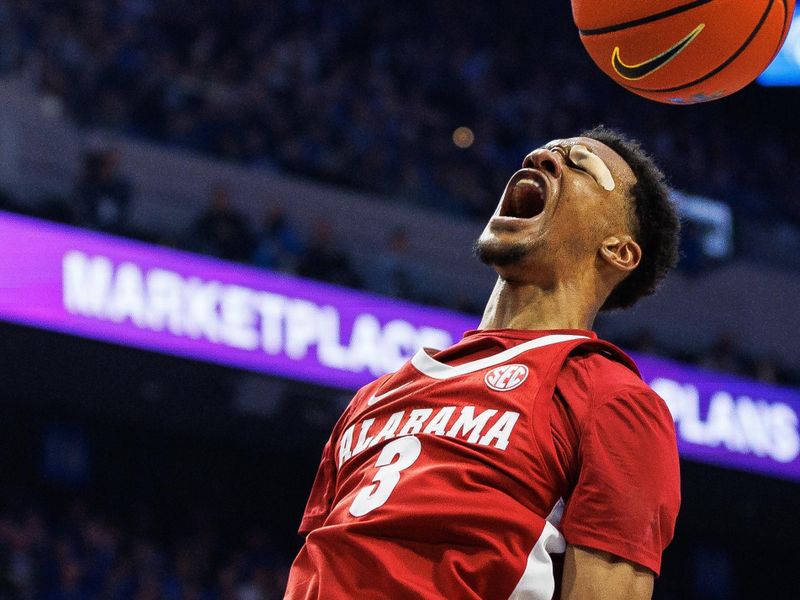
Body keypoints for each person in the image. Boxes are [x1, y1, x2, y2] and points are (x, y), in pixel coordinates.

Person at [285, 126, 682, 600]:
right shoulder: (375, 395)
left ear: (618, 251)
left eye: (580, 164)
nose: (543, 157)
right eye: (547, 149)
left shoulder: (611, 399)